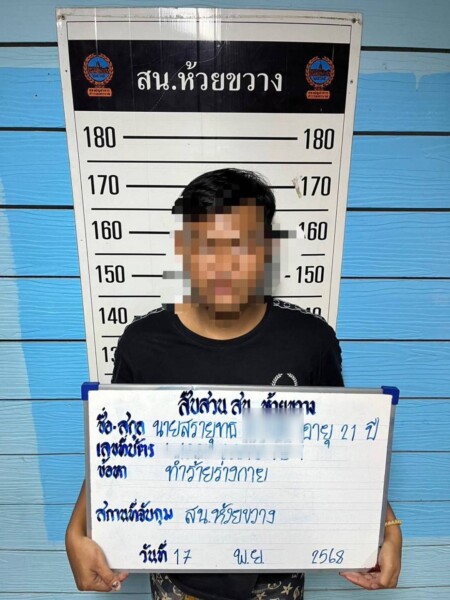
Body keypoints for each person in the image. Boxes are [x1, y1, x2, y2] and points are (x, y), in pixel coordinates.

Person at [65, 168, 402, 598]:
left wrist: (386, 524)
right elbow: (116, 447)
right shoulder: (143, 344)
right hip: (176, 575)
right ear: (182, 249)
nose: (224, 266)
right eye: (207, 246)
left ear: (268, 251)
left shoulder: (310, 341)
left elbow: (343, 446)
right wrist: (76, 529)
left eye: (242, 245)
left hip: (277, 576)